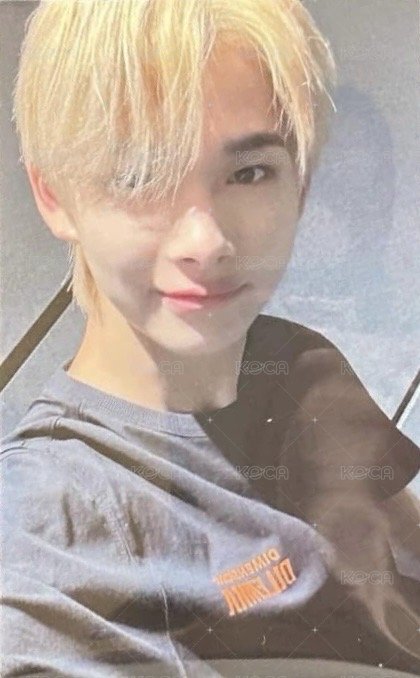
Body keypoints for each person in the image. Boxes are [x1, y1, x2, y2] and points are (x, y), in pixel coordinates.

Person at [2, 0, 419, 676]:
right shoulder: (51, 520)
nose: (207, 242)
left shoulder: (297, 363)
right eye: (141, 175)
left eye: (249, 173)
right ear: (54, 196)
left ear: (301, 182)